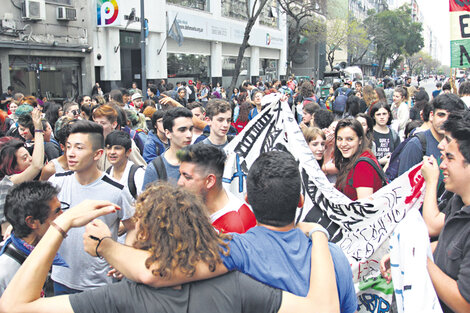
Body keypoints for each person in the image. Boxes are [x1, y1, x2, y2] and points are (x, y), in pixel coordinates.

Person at [83, 151, 357, 313]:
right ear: (299, 201)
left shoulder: (235, 248)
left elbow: (152, 271)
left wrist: (105, 246)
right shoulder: (334, 258)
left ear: (247, 198)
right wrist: (319, 233)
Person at [0, 183, 339, 313]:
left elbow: (13, 306)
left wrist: (61, 225)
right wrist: (319, 235)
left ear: (144, 235)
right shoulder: (236, 285)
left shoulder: (122, 298)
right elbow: (323, 309)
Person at [382, 111, 470, 313]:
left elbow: (464, 304)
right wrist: (401, 252)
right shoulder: (458, 200)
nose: (442, 164)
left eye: (449, 157)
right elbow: (452, 247)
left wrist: (417, 255)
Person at [47, 120, 135, 295]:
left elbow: (133, 228)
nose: (71, 153)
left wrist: (124, 257)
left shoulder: (116, 190)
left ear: (97, 154)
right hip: (61, 278)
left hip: (99, 283)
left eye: (79, 148)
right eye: (69, 147)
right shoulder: (56, 182)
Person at [0, 181, 64, 295]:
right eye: (57, 211)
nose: (63, 216)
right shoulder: (6, 269)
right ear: (32, 222)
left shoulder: (33, 251)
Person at [177, 144, 256, 233]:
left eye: (187, 177)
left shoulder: (234, 225)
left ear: (210, 181)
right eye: (180, 174)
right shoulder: (194, 202)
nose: (179, 182)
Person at [397, 93, 465, 178]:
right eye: (441, 115)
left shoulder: (460, 143)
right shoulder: (416, 145)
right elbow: (404, 184)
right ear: (431, 116)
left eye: (451, 117)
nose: (445, 120)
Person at [334, 118, 385, 200]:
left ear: (360, 140)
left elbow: (365, 206)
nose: (343, 144)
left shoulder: (362, 165)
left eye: (349, 139)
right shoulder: (359, 157)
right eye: (339, 139)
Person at [142, 107, 193, 188]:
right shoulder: (155, 168)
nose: (189, 135)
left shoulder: (201, 160)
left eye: (191, 129)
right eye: (182, 130)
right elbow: (146, 199)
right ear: (168, 133)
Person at [105, 130, 145, 199]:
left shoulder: (138, 174)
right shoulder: (107, 174)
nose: (112, 152)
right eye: (109, 148)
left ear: (128, 152)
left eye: (117, 148)